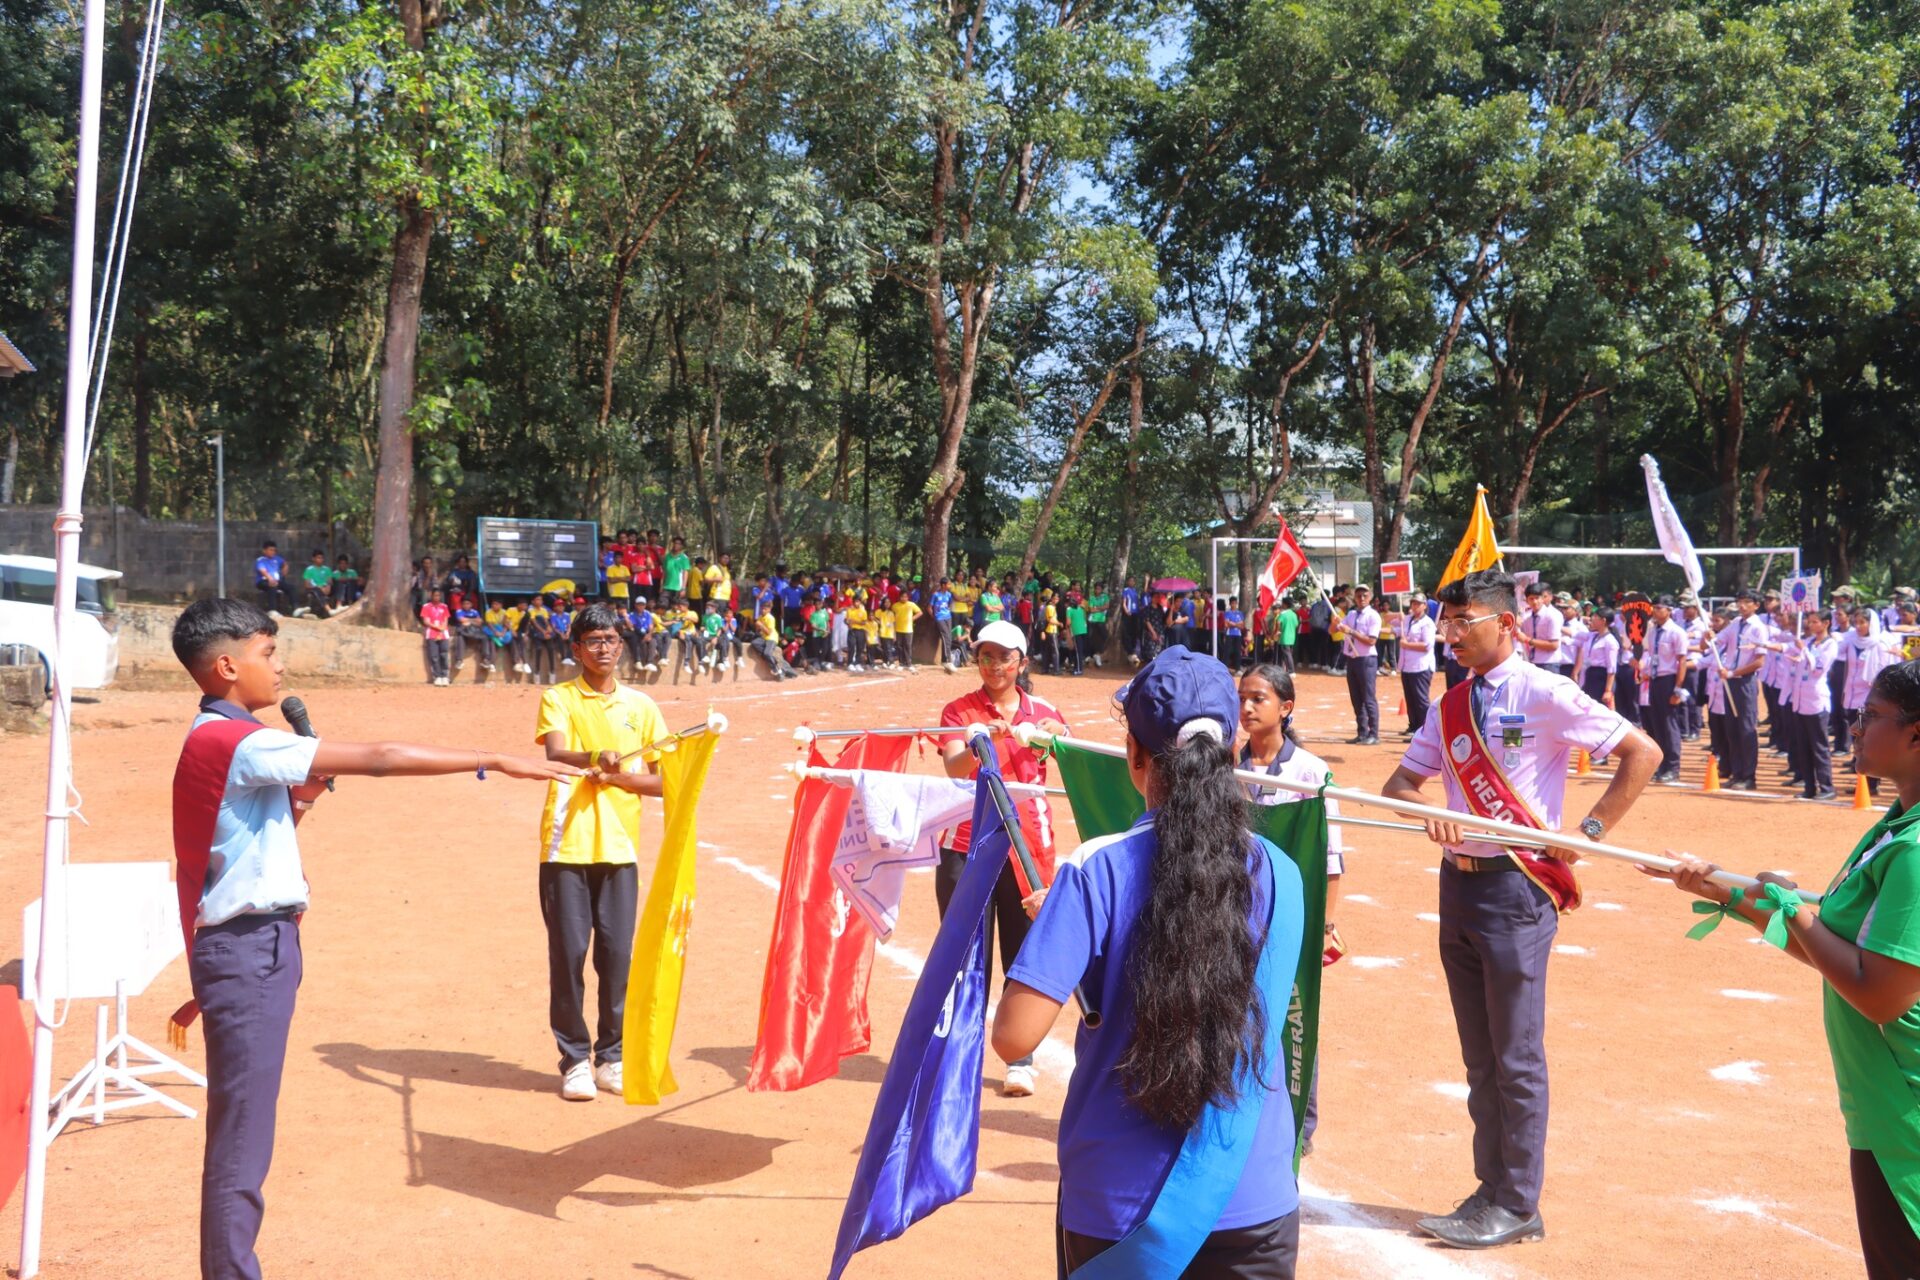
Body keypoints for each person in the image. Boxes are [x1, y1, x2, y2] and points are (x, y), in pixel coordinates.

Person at [166, 599, 576, 1279]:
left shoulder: (228, 737)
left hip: (257, 947)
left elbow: (246, 847)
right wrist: (495, 760)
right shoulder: (242, 742)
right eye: (268, 653)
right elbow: (382, 758)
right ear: (227, 666)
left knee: (245, 1128)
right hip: (248, 950)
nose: (279, 666)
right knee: (242, 1136)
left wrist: (303, 799)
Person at [993, 645, 1305, 1276]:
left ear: (1135, 754)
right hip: (1252, 1195)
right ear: (1231, 750)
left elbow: (1013, 1038)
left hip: (1120, 1204)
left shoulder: (1095, 868)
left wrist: (1062, 934)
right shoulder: (1282, 871)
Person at [1382, 569, 1659, 1250]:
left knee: (1515, 1054)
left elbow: (1641, 752)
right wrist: (1430, 811)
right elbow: (1401, 783)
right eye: (1445, 624)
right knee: (1480, 1056)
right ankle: (1491, 1189)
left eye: (1464, 623)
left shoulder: (1545, 692)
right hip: (1458, 885)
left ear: (1506, 623)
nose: (1451, 636)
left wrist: (1588, 833)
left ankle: (1517, 1202)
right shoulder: (1451, 704)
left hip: (1516, 890)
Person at [1646, 659, 1920, 1280]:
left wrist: (1792, 908)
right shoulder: (1898, 824)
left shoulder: (1914, 848)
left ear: (1916, 733)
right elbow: (1839, 952)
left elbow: (1881, 996)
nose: (1855, 727)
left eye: (1870, 715)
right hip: (1883, 1101)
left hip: (1905, 1111)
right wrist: (1725, 891)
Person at [532, 603, 669, 1101]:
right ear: (576, 649)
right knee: (569, 955)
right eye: (592, 641)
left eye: (610, 640)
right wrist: (594, 757)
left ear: (621, 646)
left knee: (616, 956)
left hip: (619, 848)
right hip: (566, 847)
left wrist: (618, 778)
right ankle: (574, 1060)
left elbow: (663, 782)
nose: (603, 648)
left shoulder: (642, 707)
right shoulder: (559, 697)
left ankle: (612, 1057)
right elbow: (555, 752)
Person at [936, 620, 1069, 1100]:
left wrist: (1056, 735)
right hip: (966, 845)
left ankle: (1020, 1059)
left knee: (1023, 953)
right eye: (985, 656)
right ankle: (961, 1056)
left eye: (1004, 657)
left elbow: (1068, 754)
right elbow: (952, 766)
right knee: (966, 957)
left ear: (1022, 662)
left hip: (1028, 848)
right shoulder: (959, 710)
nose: (994, 666)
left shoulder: (1044, 711)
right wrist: (979, 745)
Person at [1238, 662, 1343, 1154]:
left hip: (1292, 914)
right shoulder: (1228, 766)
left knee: (1294, 1013)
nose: (1247, 707)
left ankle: (1301, 1124)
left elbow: (1330, 858)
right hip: (1237, 913)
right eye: (1242, 697)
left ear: (1286, 707)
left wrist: (1326, 923)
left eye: (1258, 698)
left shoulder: (1311, 773)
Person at [1787, 608, 1839, 801]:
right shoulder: (1809, 642)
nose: (1811, 625)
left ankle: (1826, 787)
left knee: (1819, 746)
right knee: (1803, 746)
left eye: (1815, 621)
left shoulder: (1830, 645)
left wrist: (1803, 650)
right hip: (1801, 700)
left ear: (1826, 623)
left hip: (1816, 700)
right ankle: (1809, 787)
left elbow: (1818, 668)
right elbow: (1790, 650)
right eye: (1810, 621)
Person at [1641, 595, 1689, 785]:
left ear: (1669, 610)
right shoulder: (1653, 631)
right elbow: (1652, 656)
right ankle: (1661, 765)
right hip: (1655, 679)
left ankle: (1672, 767)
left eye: (1659, 607)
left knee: (1669, 725)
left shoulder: (1676, 632)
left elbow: (1682, 661)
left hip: (1668, 680)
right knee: (1656, 724)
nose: (1655, 610)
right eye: (1654, 607)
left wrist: (1678, 688)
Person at [1335, 584, 1381, 745]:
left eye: (1364, 595)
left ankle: (1374, 734)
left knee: (1368, 698)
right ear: (1354, 597)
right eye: (1358, 595)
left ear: (1370, 598)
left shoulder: (1373, 616)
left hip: (1366, 659)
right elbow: (1333, 630)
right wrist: (1335, 622)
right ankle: (1362, 732)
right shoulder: (1351, 614)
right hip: (1352, 658)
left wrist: (1350, 631)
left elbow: (1371, 640)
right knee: (1356, 698)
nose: (1361, 598)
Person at [1396, 592, 1437, 735]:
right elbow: (1391, 625)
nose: (1415, 606)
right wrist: (1397, 615)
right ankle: (1413, 726)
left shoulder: (1428, 623)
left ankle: (1425, 730)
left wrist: (1406, 645)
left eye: (1418, 604)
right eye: (1413, 603)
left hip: (1421, 666)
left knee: (1420, 699)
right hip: (1406, 665)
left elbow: (1427, 645)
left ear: (1424, 606)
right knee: (1410, 698)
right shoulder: (1407, 619)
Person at [1575, 609, 1620, 709]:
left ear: (1603, 620)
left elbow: (1611, 668)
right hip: (1591, 674)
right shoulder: (1594, 636)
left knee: (1599, 707)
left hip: (1601, 677)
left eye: (1595, 617)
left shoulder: (1610, 641)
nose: (1592, 619)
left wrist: (1608, 690)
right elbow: (1575, 634)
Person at [1517, 581, 1563, 676]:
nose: (1534, 602)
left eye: (1537, 598)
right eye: (1531, 599)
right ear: (1527, 601)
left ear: (1542, 599)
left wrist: (1527, 640)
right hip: (1531, 663)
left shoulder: (1552, 616)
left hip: (1549, 663)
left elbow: (1554, 645)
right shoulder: (1527, 617)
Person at [420, 588, 451, 686]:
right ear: (431, 596)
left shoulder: (444, 606)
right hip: (431, 633)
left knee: (444, 655)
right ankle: (437, 676)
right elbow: (426, 621)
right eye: (435, 595)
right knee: (434, 656)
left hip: (443, 633)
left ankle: (445, 676)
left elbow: (445, 620)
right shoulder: (426, 606)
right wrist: (436, 627)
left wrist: (442, 629)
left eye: (438, 595)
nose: (437, 597)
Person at [252, 542, 290, 615]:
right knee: (273, 587)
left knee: (291, 588)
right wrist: (270, 579)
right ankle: (272, 610)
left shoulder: (277, 559)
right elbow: (263, 571)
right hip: (263, 581)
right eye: (271, 550)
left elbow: (284, 563)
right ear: (264, 551)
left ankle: (295, 608)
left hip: (276, 581)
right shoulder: (261, 560)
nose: (273, 552)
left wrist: (285, 568)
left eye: (274, 550)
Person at [297, 551, 333, 619]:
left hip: (325, 588)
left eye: (322, 558)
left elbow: (330, 581)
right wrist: (319, 587)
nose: (321, 560)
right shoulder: (309, 570)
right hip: (313, 589)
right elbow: (307, 585)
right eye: (318, 558)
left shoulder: (327, 569)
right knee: (317, 590)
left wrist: (327, 587)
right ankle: (329, 610)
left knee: (340, 586)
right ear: (313, 559)